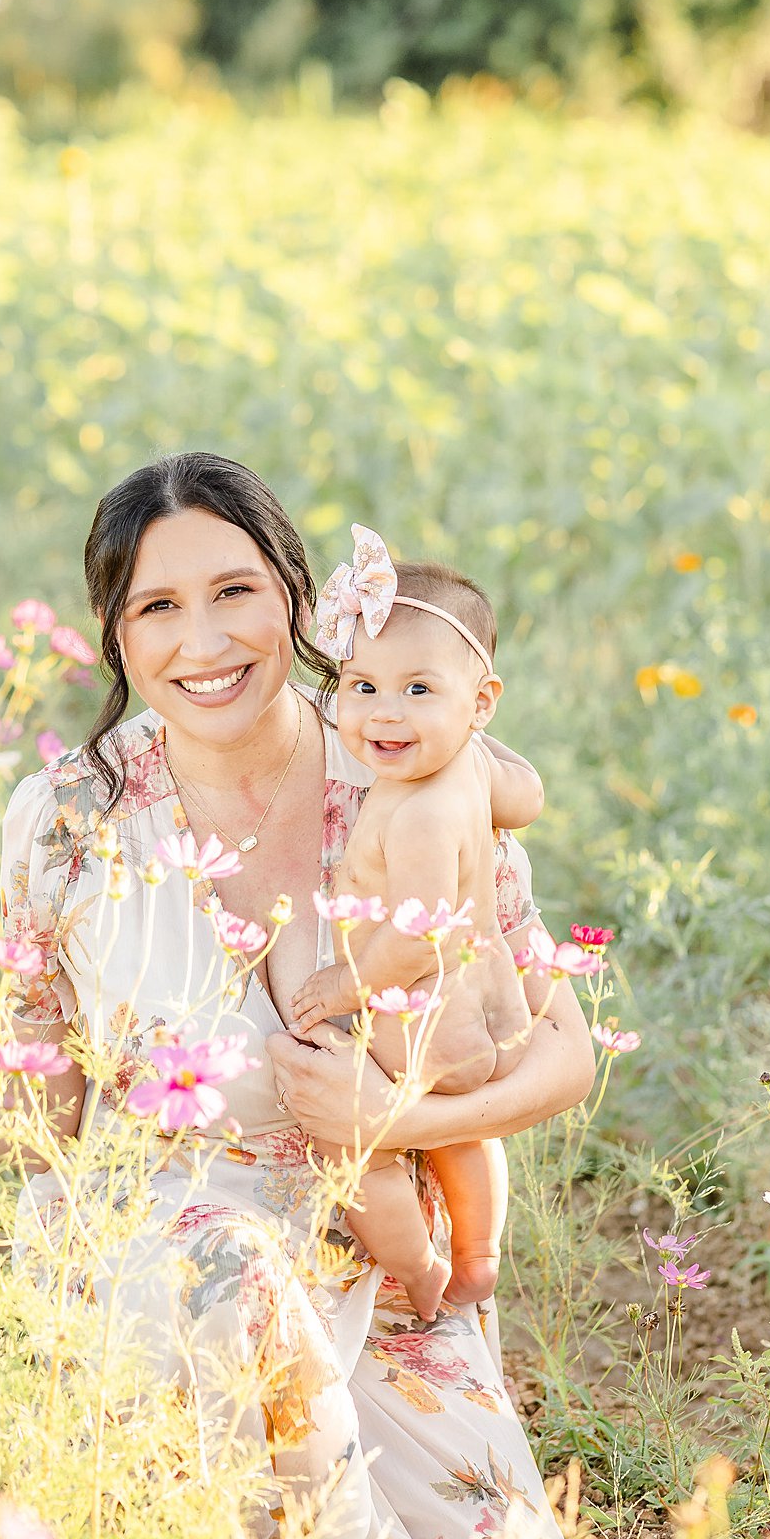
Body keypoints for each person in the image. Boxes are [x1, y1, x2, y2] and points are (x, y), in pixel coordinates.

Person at [0, 452, 593, 1539]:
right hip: (160, 1262)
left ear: (296, 597)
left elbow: (565, 1049)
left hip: (378, 1263)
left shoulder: (404, 756)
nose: (204, 641)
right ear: (116, 638)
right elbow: (48, 1122)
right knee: (233, 1269)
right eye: (158, 607)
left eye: (234, 592)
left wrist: (399, 1113)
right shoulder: (65, 820)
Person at [289, 524, 538, 1321]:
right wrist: (463, 729)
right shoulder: (470, 764)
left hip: (420, 1015)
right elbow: (525, 800)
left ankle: (418, 1267)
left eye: (418, 690)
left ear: (480, 698)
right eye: (361, 687)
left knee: (356, 1142)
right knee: (462, 1137)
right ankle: (481, 1251)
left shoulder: (421, 812)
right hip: (484, 1003)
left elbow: (420, 928)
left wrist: (337, 984)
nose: (384, 715)